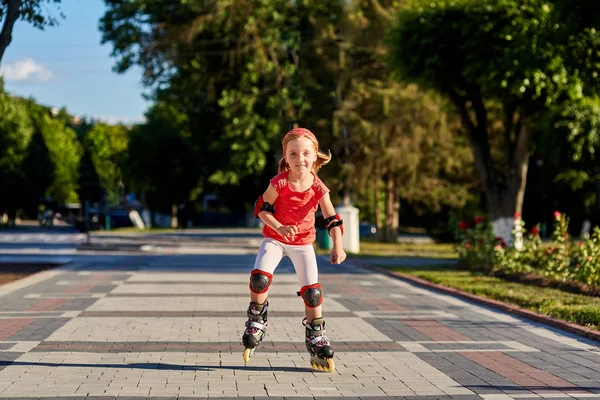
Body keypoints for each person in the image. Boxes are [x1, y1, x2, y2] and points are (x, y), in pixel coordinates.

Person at [241, 127, 346, 372]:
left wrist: (337, 246)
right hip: (274, 239)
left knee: (312, 293)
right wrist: (279, 226)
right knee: (259, 278)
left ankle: (316, 334)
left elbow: (332, 218)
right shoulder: (278, 183)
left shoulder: (318, 187)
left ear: (315, 155)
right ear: (285, 158)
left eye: (306, 153)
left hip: (303, 243)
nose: (300, 159)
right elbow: (261, 209)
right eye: (293, 154)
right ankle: (256, 319)